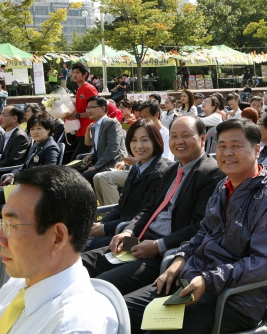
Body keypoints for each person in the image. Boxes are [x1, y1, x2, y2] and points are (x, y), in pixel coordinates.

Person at [125, 119, 267, 334]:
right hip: (192, 281)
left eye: (236, 146)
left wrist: (209, 279)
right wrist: (180, 259)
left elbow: (264, 263)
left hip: (234, 299)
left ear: (257, 150)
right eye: (222, 146)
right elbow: (204, 231)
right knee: (122, 311)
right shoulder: (223, 187)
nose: (227, 152)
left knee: (156, 330)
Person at [81, 116, 226, 295]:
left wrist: (158, 245)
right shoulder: (172, 170)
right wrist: (128, 232)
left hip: (163, 252)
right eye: (174, 136)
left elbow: (199, 227)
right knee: (80, 263)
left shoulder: (212, 174)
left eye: (185, 135)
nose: (179, 141)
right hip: (140, 240)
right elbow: (149, 209)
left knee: (100, 286)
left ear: (203, 138)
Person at [0, 166, 119, 334]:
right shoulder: (18, 285)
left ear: (57, 238)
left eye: (12, 226)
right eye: (2, 223)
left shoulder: (71, 326)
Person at [86, 119, 168, 251]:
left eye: (144, 140)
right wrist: (101, 224)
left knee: (85, 250)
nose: (138, 145)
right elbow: (121, 205)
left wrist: (104, 229)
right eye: (134, 140)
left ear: (155, 141)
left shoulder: (159, 174)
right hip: (119, 230)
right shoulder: (136, 167)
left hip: (136, 238)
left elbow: (143, 216)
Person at [0, 113, 60, 232]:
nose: (35, 132)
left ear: (48, 129)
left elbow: (50, 173)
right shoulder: (37, 144)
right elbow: (24, 166)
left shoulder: (50, 148)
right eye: (32, 129)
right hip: (23, 186)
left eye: (39, 128)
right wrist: (13, 175)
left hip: (33, 191)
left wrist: (23, 179)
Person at [71, 96, 126, 185]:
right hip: (97, 163)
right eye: (87, 108)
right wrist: (91, 155)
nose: (88, 110)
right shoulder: (95, 125)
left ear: (103, 108)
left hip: (111, 166)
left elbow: (112, 149)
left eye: (92, 107)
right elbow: (89, 143)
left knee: (77, 180)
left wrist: (96, 166)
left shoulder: (112, 123)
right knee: (69, 172)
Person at [65, 63, 99, 160]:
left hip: (89, 132)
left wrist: (77, 116)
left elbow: (96, 111)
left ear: (85, 74)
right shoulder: (79, 89)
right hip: (80, 131)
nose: (74, 75)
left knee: (77, 161)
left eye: (78, 72)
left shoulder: (89, 88)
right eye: (73, 72)